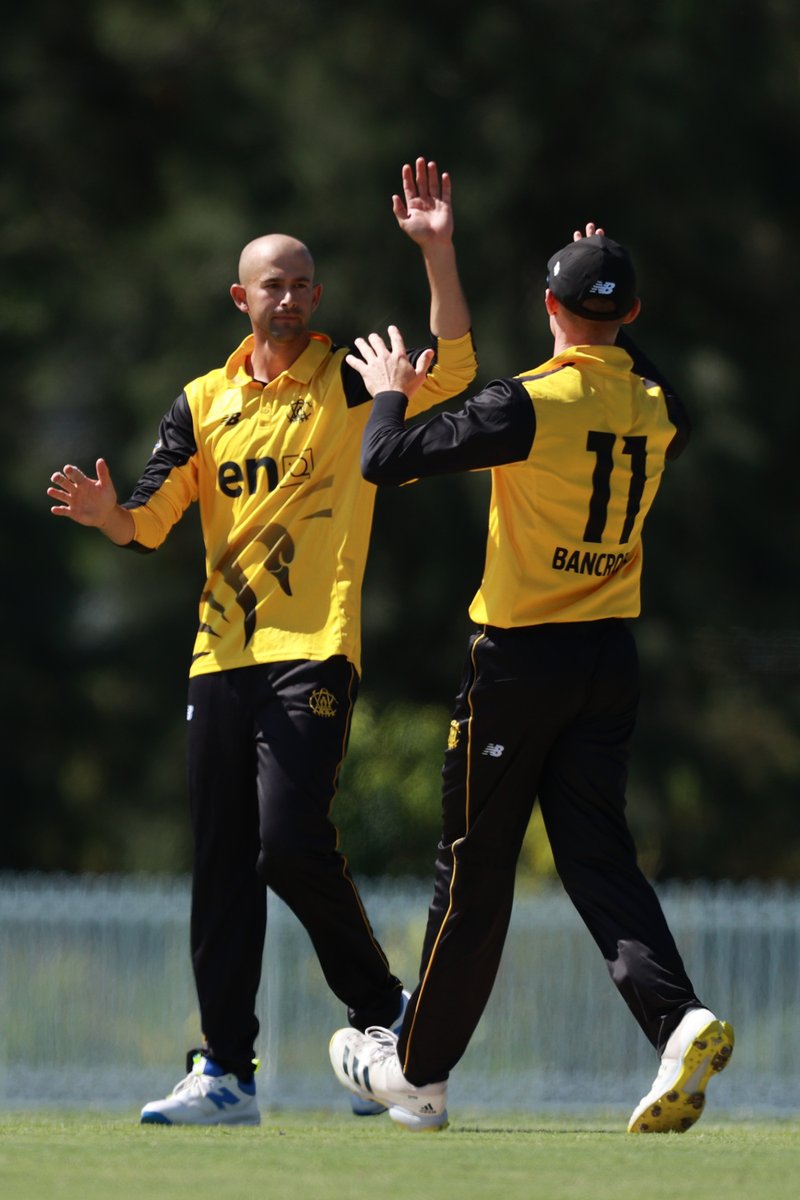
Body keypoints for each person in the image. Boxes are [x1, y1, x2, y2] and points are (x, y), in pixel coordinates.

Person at [47, 159, 477, 1127]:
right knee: (222, 863)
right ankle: (226, 1074)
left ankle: (385, 1012)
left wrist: (437, 253)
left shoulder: (346, 380)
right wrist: (111, 514)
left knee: (288, 843)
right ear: (239, 297)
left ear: (315, 297)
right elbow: (150, 524)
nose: (285, 296)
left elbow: (453, 363)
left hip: (312, 646)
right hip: (219, 656)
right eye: (268, 283)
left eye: (300, 282)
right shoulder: (203, 400)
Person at [327, 225, 734, 1134]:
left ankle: (419, 1076)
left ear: (548, 307)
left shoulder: (530, 403)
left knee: (472, 872)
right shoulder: (657, 405)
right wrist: (614, 300)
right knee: (597, 857)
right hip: (608, 660)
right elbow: (639, 363)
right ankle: (679, 1018)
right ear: (631, 314)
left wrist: (391, 394)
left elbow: (384, 461)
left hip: (519, 664)